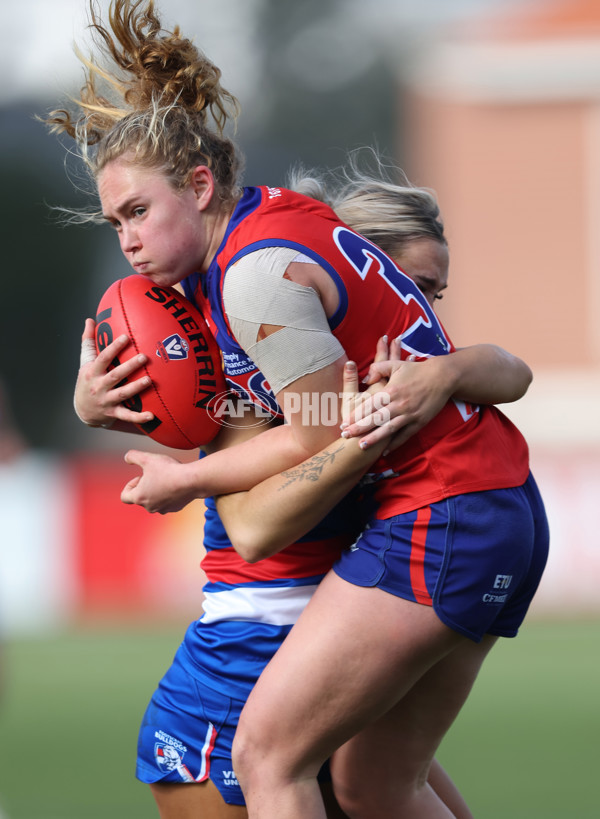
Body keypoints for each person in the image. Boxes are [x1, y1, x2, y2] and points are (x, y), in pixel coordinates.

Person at [45, 2, 548, 816]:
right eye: (116, 222)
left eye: (137, 212)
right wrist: (99, 400)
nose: (125, 240)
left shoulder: (252, 279)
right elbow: (221, 388)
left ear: (200, 185)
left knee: (266, 756)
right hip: (492, 500)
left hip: (443, 510)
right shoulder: (279, 217)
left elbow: (298, 450)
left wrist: (188, 477)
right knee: (376, 782)